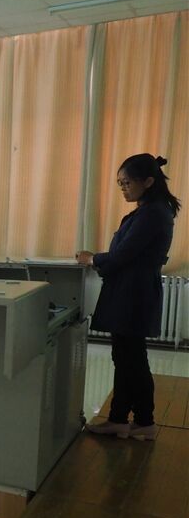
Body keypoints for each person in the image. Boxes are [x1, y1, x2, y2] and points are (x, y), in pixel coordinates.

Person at [78, 154, 179, 442]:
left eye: (127, 183)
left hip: (133, 294)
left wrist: (92, 259)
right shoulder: (150, 210)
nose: (123, 188)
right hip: (133, 291)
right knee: (127, 358)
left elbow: (123, 255)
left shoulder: (152, 213)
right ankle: (122, 420)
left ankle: (141, 421)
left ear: (148, 181)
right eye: (120, 183)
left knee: (131, 360)